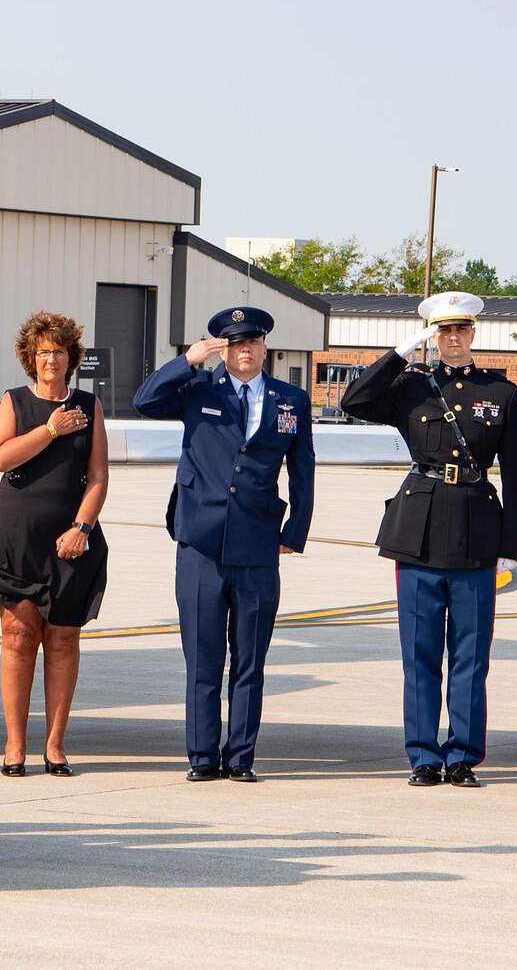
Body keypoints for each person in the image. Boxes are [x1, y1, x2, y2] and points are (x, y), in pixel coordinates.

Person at [339, 291, 517, 787]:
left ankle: (463, 754)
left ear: (473, 334)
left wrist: (511, 542)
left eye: (460, 330)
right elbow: (353, 400)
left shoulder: (502, 393)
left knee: (470, 653)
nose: (452, 339)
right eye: (442, 331)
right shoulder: (411, 388)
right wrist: (400, 353)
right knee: (419, 653)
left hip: (477, 532)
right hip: (418, 531)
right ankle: (423, 754)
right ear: (433, 336)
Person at [133, 305, 314, 783]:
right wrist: (187, 361)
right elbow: (144, 401)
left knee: (250, 660)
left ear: (264, 347)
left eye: (252, 341)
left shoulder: (291, 399)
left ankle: (241, 758)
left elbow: (303, 470)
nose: (245, 350)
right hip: (200, 542)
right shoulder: (197, 390)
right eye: (235, 343)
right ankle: (202, 756)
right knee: (203, 657)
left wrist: (295, 532)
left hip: (257, 544)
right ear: (222, 349)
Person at [0, 310, 110, 776]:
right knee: (17, 637)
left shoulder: (89, 406)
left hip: (70, 541)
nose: (50, 359)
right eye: (42, 353)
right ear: (29, 359)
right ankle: (15, 745)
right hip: (16, 537)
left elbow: (97, 475)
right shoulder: (15, 401)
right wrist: (51, 430)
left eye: (58, 351)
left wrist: (82, 528)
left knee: (62, 638)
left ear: (71, 357)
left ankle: (55, 745)